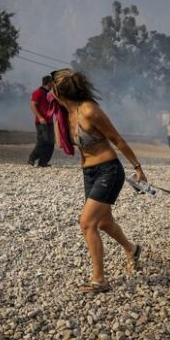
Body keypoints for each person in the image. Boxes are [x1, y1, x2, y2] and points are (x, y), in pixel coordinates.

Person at [50, 68, 144, 293]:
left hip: (108, 171)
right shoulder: (65, 114)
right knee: (102, 222)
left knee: (87, 223)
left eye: (52, 88)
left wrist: (138, 168)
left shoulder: (89, 111)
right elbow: (61, 145)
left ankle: (99, 280)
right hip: (89, 173)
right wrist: (57, 114)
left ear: (59, 91)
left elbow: (117, 139)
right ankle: (131, 249)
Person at [28, 75, 55, 167]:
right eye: (53, 82)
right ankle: (32, 158)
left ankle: (43, 162)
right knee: (43, 141)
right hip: (41, 122)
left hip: (50, 121)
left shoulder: (50, 94)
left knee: (51, 143)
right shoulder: (38, 92)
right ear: (49, 83)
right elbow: (32, 105)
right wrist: (40, 117)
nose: (54, 84)